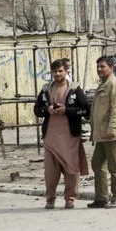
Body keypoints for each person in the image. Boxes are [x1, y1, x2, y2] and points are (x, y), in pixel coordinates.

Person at [33, 59, 90, 209]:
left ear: (66, 72)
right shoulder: (46, 89)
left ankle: (70, 198)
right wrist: (48, 110)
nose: (57, 74)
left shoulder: (75, 89)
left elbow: (86, 109)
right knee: (50, 172)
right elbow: (37, 110)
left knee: (72, 170)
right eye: (55, 71)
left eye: (60, 71)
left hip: (70, 138)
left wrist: (67, 110)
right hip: (51, 138)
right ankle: (50, 199)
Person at [89, 56, 116, 209]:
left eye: (102, 67)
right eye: (98, 66)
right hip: (101, 134)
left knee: (114, 166)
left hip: (111, 133)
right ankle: (101, 197)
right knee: (97, 164)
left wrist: (113, 128)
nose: (99, 69)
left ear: (111, 68)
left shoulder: (114, 84)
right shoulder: (104, 84)